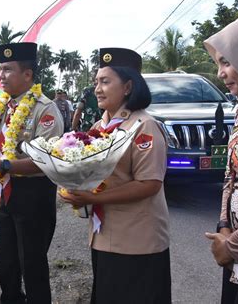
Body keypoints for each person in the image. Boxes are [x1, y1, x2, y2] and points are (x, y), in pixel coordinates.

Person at [59, 48, 171, 303]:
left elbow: (150, 183)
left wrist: (93, 197)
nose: (97, 88)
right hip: (102, 235)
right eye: (96, 82)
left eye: (105, 82)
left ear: (128, 87)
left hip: (137, 240)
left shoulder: (144, 126)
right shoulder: (99, 128)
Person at [0, 42, 64, 303]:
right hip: (3, 192)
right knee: (6, 265)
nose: (1, 76)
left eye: (7, 70)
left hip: (33, 194)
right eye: (0, 70)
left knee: (32, 266)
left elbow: (47, 161)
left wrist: (2, 166)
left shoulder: (45, 109)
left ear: (27, 75)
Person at [203, 15, 238, 304]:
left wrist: (233, 245)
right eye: (218, 63)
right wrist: (223, 226)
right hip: (236, 251)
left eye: (227, 61)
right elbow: (230, 175)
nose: (221, 72)